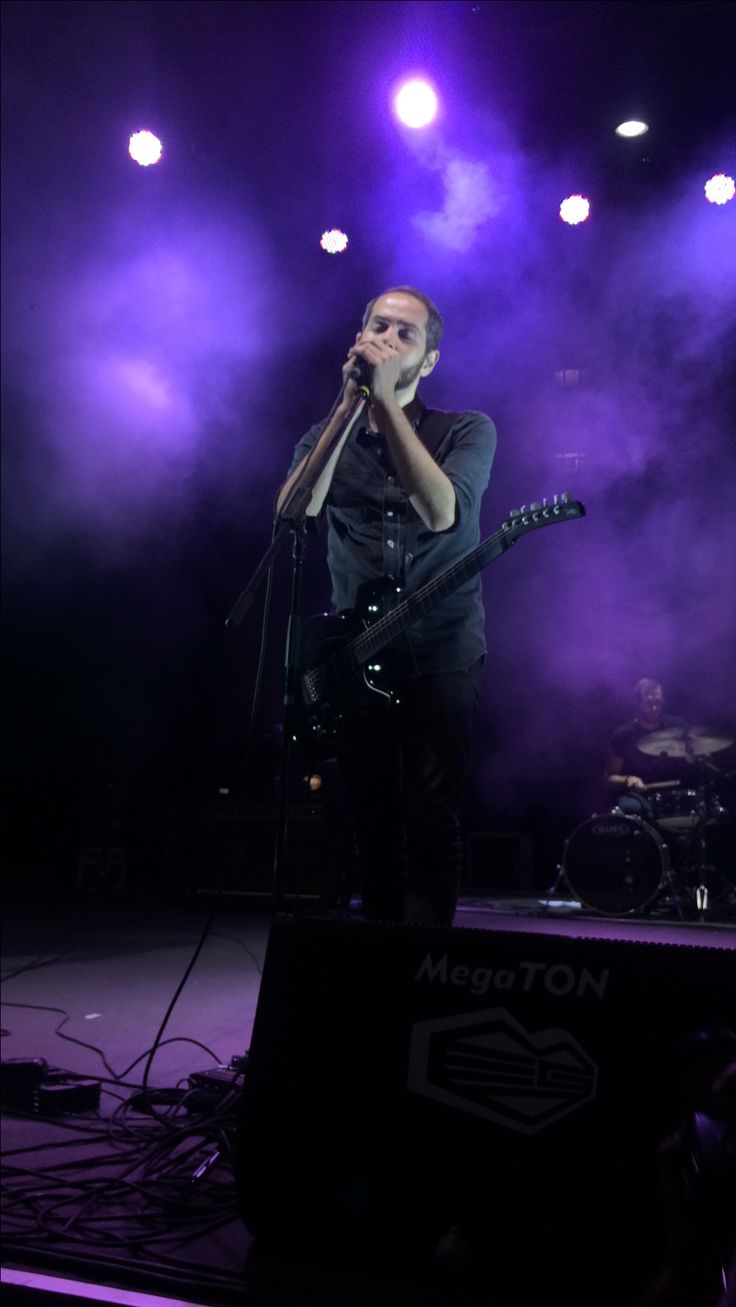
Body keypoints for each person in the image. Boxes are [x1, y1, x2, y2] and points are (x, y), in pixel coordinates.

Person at [277, 286, 496, 926]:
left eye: (405, 335)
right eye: (379, 326)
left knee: (431, 815)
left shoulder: (466, 429)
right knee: (371, 819)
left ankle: (428, 968)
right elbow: (293, 516)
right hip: (354, 656)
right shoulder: (327, 435)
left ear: (427, 361)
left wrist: (386, 405)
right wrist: (350, 408)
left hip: (441, 652)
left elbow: (441, 512)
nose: (387, 340)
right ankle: (378, 968)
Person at [604, 679, 689, 820]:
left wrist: (697, 756)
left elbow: (696, 755)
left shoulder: (676, 726)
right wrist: (627, 779)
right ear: (637, 704)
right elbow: (609, 779)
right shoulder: (623, 735)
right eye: (648, 703)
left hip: (675, 792)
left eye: (659, 703)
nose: (655, 708)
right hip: (638, 797)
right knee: (631, 808)